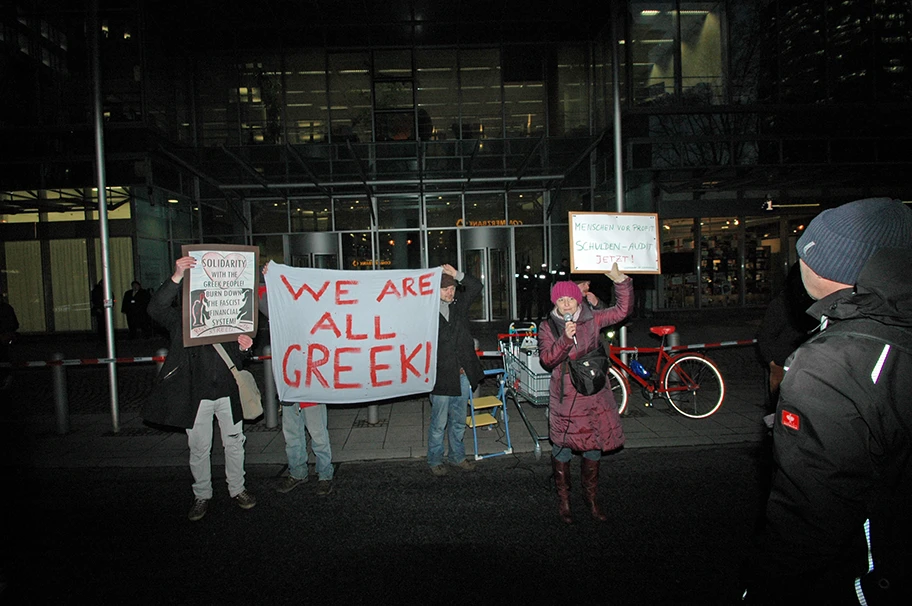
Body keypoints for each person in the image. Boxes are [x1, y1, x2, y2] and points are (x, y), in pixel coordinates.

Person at [743, 197, 912, 604]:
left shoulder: (831, 366)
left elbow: (808, 518)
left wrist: (766, 591)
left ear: (833, 266)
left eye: (807, 251)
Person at [141, 256, 257, 521]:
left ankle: (237, 489)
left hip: (227, 392)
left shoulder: (230, 319)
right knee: (199, 448)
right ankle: (202, 495)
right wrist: (177, 275)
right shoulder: (182, 322)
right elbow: (155, 308)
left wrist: (243, 347)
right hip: (196, 393)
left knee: (235, 443)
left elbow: (238, 359)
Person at [538, 263, 632, 524]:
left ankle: (591, 499)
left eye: (570, 298)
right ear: (555, 301)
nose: (566, 304)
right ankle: (564, 500)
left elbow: (622, 310)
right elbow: (547, 360)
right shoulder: (547, 326)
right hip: (565, 396)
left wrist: (620, 281)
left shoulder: (592, 317)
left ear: (577, 298)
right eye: (561, 299)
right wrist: (565, 340)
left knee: (593, 446)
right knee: (562, 448)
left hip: (593, 393)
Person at [258, 264, 334, 496]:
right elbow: (258, 295)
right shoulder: (278, 310)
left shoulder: (318, 315)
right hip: (288, 385)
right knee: (292, 436)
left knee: (318, 434)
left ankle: (325, 475)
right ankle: (297, 473)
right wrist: (268, 276)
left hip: (312, 385)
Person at [427, 264, 485, 476]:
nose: (449, 292)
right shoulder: (427, 313)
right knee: (438, 423)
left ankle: (457, 456)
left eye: (451, 288)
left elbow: (476, 286)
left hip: (462, 374)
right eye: (445, 289)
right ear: (435, 291)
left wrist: (456, 275)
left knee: (459, 420)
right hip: (440, 377)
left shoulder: (459, 306)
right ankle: (434, 459)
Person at [756, 262, 816, 416]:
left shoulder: (812, 303)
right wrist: (773, 362)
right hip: (782, 361)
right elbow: (765, 335)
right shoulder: (782, 303)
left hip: (804, 361)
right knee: (783, 408)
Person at [0, 293, 18, 390]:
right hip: (6, 337)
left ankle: (6, 376)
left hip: (6, 337)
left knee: (5, 356)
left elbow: (14, 324)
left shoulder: (6, 309)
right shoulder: (7, 308)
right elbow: (15, 324)